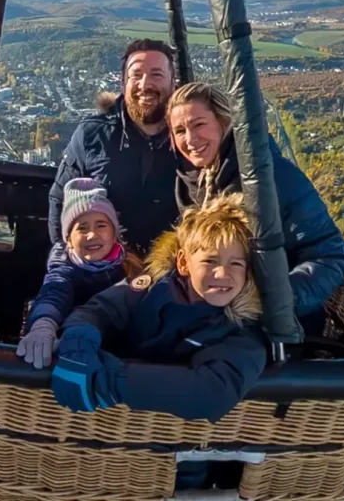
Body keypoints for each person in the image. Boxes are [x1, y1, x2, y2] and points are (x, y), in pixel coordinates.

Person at [48, 192, 268, 423]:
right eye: (210, 261)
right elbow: (100, 310)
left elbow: (212, 391)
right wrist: (79, 344)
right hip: (109, 422)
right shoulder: (153, 288)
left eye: (236, 264)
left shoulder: (242, 330)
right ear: (183, 263)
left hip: (172, 430)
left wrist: (112, 382)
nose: (222, 273)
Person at [165, 81, 344, 322]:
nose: (190, 139)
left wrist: (272, 304)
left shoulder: (271, 178)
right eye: (180, 131)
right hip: (212, 318)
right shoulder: (189, 183)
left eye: (199, 124)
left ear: (224, 122)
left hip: (272, 326)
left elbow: (329, 256)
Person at [48, 39, 181, 254]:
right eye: (136, 75)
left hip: (175, 265)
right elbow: (60, 199)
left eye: (156, 74)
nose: (145, 84)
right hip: (106, 265)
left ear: (173, 82)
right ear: (123, 83)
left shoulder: (191, 138)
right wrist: (67, 259)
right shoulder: (93, 135)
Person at [15, 178, 136, 369]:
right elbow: (54, 292)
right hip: (73, 353)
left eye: (101, 225)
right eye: (82, 228)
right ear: (69, 240)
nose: (92, 235)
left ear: (115, 234)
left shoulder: (132, 266)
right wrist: (44, 324)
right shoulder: (65, 269)